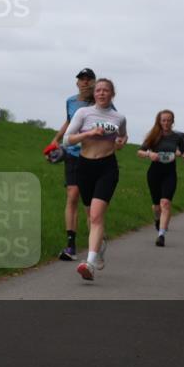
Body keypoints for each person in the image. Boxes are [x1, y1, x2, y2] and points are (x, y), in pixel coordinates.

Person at [62, 78, 127, 281]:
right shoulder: (83, 113)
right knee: (91, 215)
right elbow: (67, 139)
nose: (101, 93)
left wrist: (120, 142)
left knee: (97, 216)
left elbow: (123, 137)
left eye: (105, 90)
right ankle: (99, 247)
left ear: (111, 94)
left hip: (107, 168)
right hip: (85, 167)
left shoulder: (119, 117)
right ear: (94, 94)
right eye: (98, 90)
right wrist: (89, 133)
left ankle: (89, 264)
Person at [46, 68, 96, 261]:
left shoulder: (101, 102)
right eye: (81, 79)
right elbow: (69, 121)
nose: (85, 82)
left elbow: (113, 124)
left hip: (92, 154)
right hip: (73, 153)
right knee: (72, 195)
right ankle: (71, 246)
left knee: (89, 203)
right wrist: (56, 139)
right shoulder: (71, 101)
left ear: (94, 82)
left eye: (88, 79)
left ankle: (95, 244)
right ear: (77, 83)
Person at [137, 110, 184, 246]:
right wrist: (149, 154)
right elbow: (140, 151)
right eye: (163, 120)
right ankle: (157, 219)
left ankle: (161, 235)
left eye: (169, 120)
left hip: (170, 173)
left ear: (173, 122)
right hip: (154, 173)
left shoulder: (177, 137)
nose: (166, 123)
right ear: (159, 121)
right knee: (156, 206)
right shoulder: (154, 135)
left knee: (165, 203)